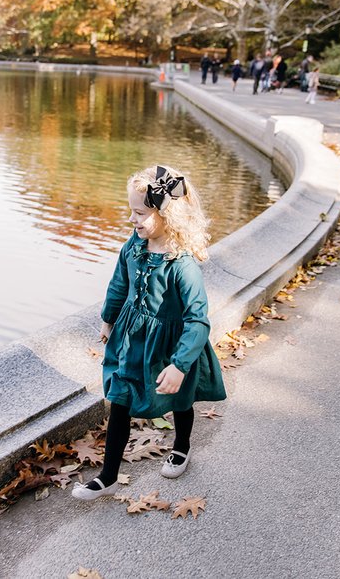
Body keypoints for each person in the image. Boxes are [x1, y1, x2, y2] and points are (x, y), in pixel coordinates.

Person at [72, 165, 227, 501]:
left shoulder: (181, 265)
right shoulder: (135, 244)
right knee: (121, 398)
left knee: (179, 399)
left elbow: (198, 319)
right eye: (131, 211)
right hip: (133, 338)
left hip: (172, 344)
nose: (132, 219)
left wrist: (180, 364)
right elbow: (119, 281)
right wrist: (108, 318)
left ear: (167, 216)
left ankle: (181, 446)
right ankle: (108, 475)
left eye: (140, 213)